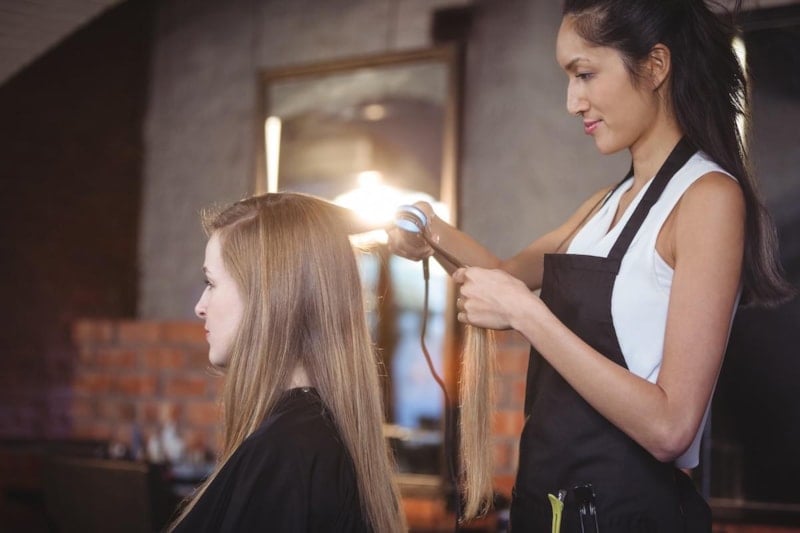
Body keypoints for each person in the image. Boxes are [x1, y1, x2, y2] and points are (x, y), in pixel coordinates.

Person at [389, 0, 795, 530]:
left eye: (584, 74)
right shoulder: (605, 203)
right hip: (547, 503)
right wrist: (430, 230)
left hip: (626, 515)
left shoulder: (707, 199)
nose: (571, 102)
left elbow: (671, 427)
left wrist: (527, 315)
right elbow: (504, 277)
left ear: (655, 65)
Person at [170, 193, 406, 532]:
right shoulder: (306, 437)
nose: (200, 307)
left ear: (267, 295)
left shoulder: (285, 452)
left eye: (211, 283)